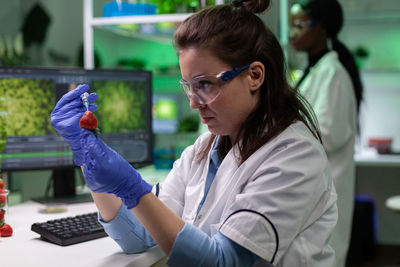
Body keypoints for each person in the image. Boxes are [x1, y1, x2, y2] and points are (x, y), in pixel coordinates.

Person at [51, 0, 338, 266]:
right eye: (189, 85)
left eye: (205, 84)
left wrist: (131, 187)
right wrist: (89, 159)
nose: (192, 102)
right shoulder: (204, 149)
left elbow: (224, 262)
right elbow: (138, 236)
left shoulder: (294, 156)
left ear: (254, 75)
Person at [289, 0, 363, 266]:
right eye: (291, 25)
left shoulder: (334, 74)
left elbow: (327, 134)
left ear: (321, 29)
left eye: (299, 25)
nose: (292, 33)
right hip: (312, 189)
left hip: (325, 190)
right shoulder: (315, 71)